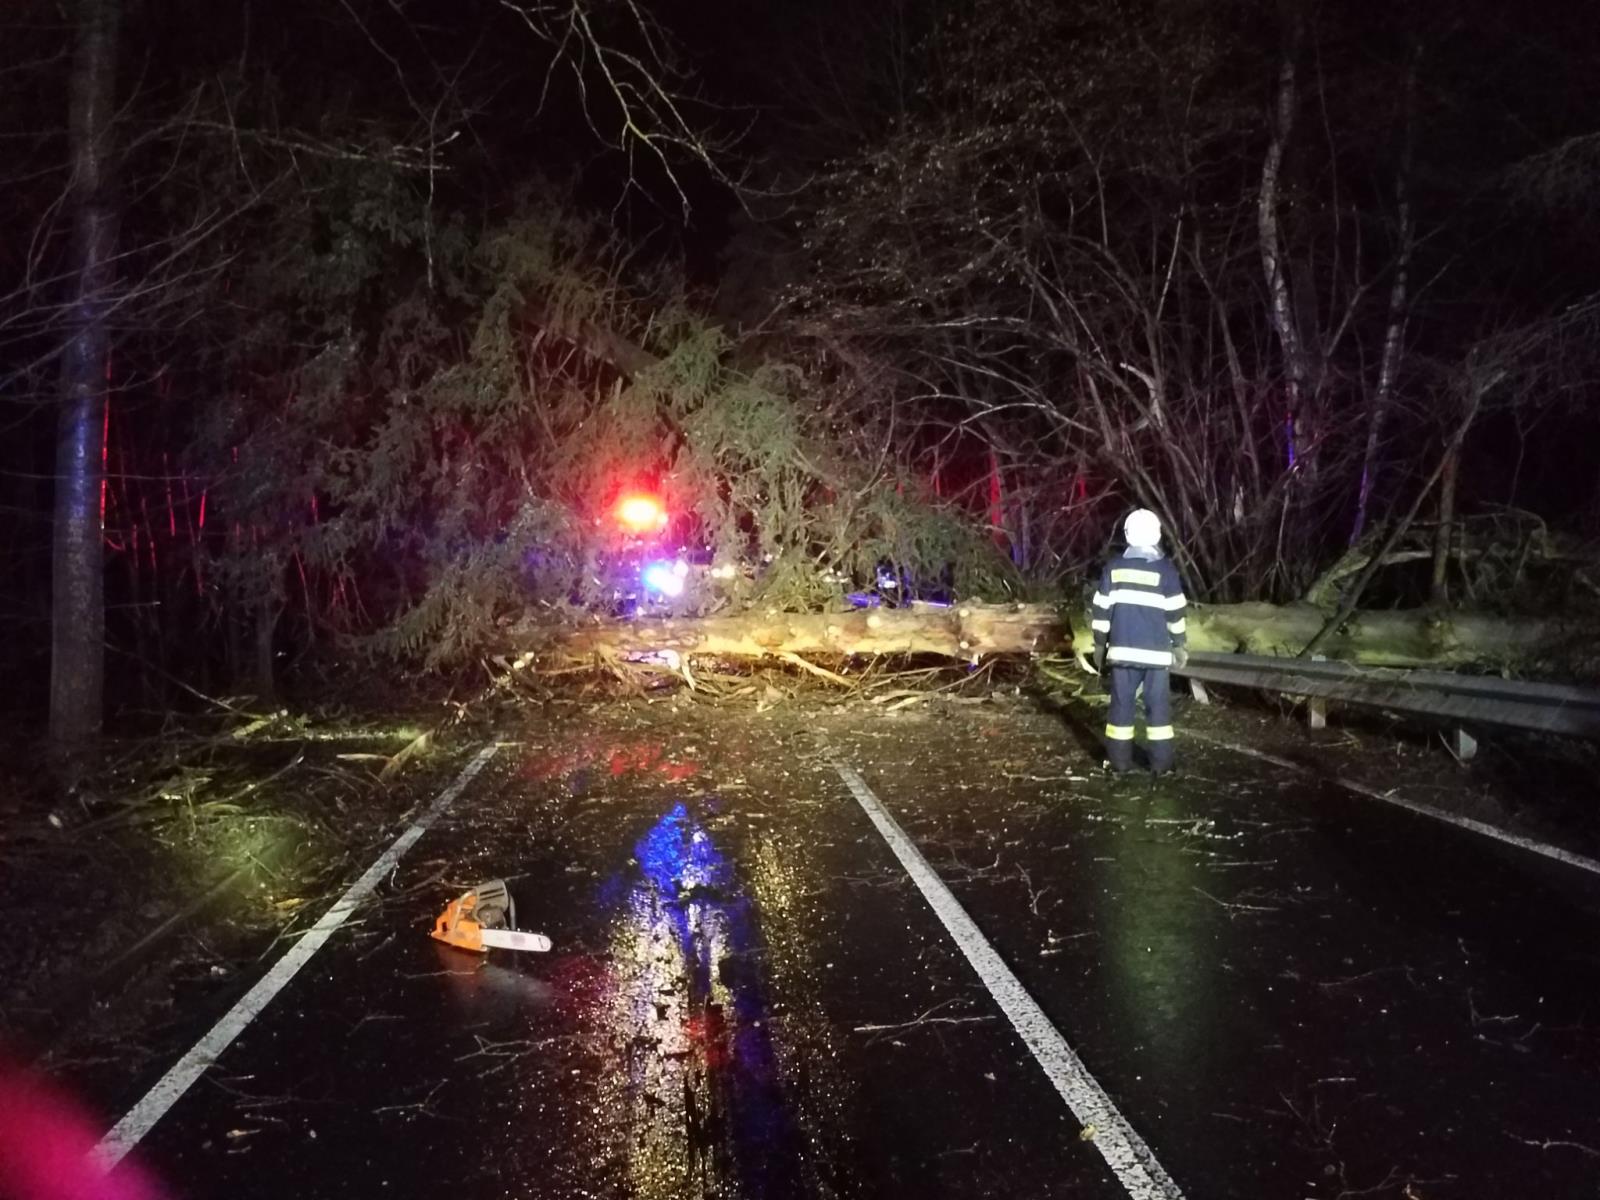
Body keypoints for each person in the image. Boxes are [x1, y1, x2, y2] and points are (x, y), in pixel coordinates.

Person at [1089, 508, 1189, 775]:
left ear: (1128, 535)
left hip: (1122, 654)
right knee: (1158, 712)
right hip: (1156, 658)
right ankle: (1162, 766)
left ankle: (1119, 765)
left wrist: (1099, 644)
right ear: (1156, 534)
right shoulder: (1166, 571)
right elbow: (1176, 612)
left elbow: (1101, 610)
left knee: (1121, 709)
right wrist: (1179, 643)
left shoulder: (1114, 568)